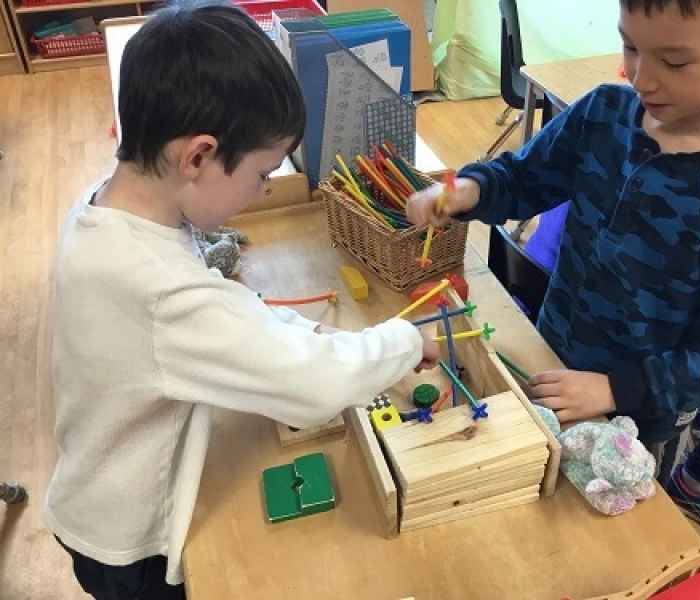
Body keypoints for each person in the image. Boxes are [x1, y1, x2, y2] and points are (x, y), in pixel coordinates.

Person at [44, 2, 439, 599]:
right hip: (133, 544)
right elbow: (316, 386)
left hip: (98, 495)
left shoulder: (109, 205)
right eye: (262, 173)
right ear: (198, 156)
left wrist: (314, 334)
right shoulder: (157, 287)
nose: (261, 192)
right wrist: (404, 341)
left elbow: (224, 315)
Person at [408, 0, 700, 549]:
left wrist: (617, 389)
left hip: (640, 419)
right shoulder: (605, 114)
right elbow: (525, 178)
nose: (641, 78)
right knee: (516, 521)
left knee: (599, 538)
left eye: (675, 61)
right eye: (631, 46)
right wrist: (472, 190)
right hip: (548, 356)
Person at [526, 14, 700, 306]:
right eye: (631, 47)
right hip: (569, 303)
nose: (642, 80)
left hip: (534, 279)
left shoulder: (634, 109)